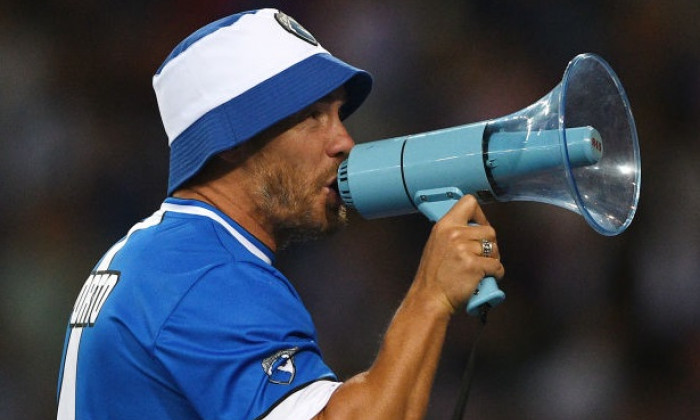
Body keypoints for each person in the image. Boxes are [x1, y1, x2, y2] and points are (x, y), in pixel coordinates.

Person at [57, 8, 504, 420]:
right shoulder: (208, 273)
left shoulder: (155, 254)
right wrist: (431, 297)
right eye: (311, 116)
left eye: (337, 113)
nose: (344, 141)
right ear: (229, 140)